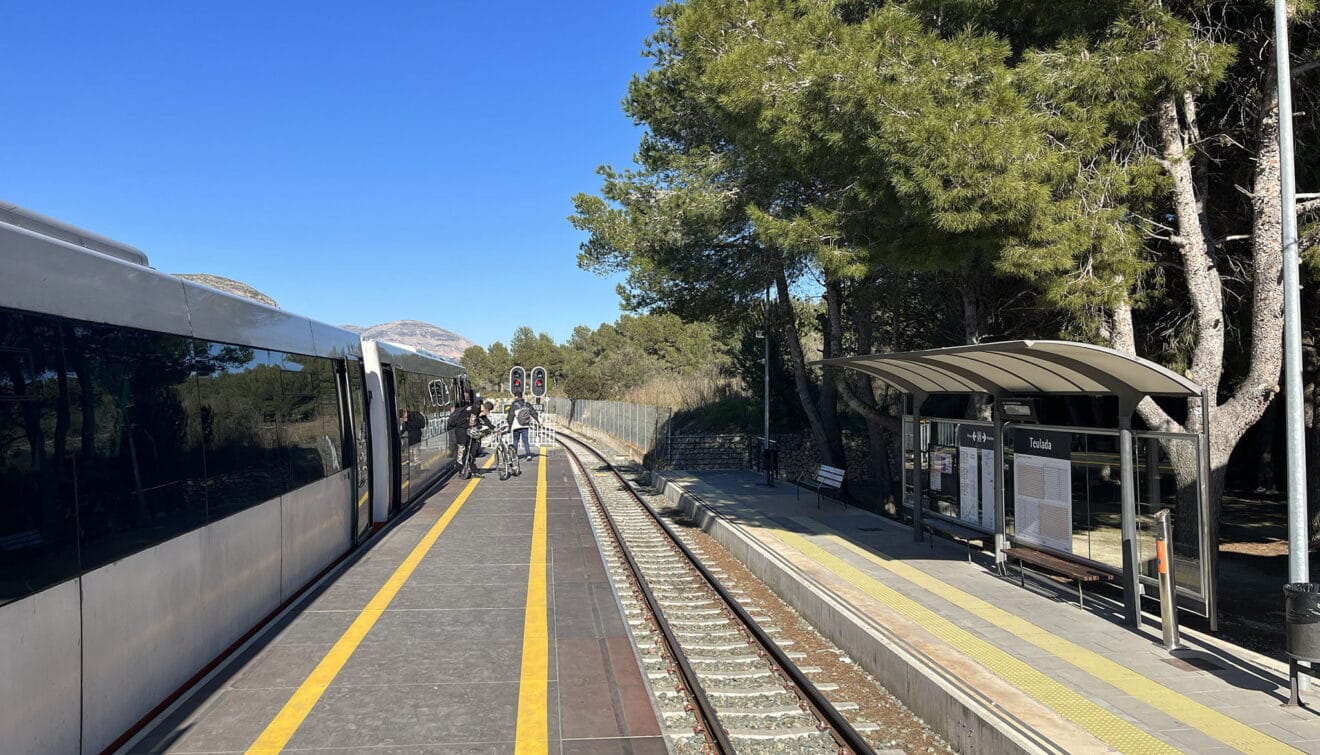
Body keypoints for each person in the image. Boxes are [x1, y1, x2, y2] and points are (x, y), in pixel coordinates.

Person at [505, 392, 539, 459]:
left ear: (516, 397)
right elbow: (533, 413)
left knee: (515, 441)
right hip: (525, 425)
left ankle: (515, 456)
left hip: (516, 426)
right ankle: (528, 455)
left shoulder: (514, 406)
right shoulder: (526, 404)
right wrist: (538, 421)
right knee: (525, 441)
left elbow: (510, 417)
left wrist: (509, 426)